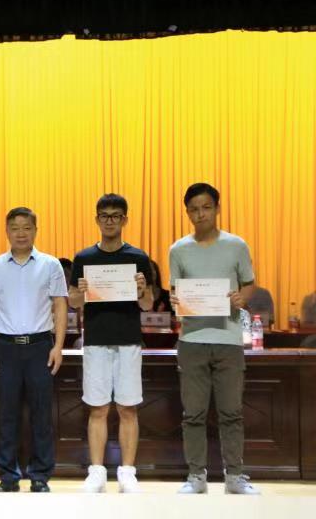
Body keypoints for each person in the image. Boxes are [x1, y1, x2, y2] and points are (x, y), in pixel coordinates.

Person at [170, 183, 260, 495]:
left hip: (229, 339)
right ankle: (196, 476)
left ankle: (234, 476)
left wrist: (241, 297)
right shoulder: (178, 249)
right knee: (193, 414)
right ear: (187, 213)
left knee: (231, 412)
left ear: (217, 208)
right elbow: (175, 290)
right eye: (194, 209)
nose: (201, 214)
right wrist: (176, 300)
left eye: (206, 207)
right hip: (192, 340)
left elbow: (249, 284)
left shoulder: (236, 245)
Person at [68, 194, 153, 493]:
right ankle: (97, 472)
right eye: (104, 215)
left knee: (128, 408)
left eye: (116, 216)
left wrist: (142, 290)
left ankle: (127, 472)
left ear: (125, 220)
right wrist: (80, 292)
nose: (110, 221)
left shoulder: (139, 257)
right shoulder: (84, 258)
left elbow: (148, 304)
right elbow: (74, 301)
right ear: (97, 219)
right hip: (96, 342)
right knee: (98, 408)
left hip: (129, 341)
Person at [0, 207, 68, 493]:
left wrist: (58, 346)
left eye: (26, 227)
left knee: (42, 414)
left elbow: (60, 305)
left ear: (35, 230)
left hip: (40, 346)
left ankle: (40, 475)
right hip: (5, 348)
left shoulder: (50, 265)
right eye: (15, 228)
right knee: (7, 414)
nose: (21, 233)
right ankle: (8, 476)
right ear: (7, 231)